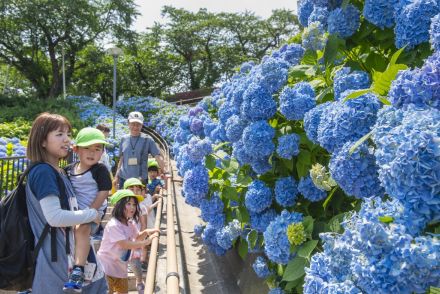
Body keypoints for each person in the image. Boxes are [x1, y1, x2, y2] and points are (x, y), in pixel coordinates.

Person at [25, 112, 107, 293]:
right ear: (42, 141)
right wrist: (92, 214)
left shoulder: (61, 171)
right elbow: (54, 217)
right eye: (59, 134)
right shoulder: (43, 172)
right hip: (55, 264)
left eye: (68, 134)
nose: (67, 140)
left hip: (66, 257)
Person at [63, 127, 112, 292]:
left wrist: (91, 211)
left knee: (82, 228)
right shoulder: (69, 169)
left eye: (97, 149)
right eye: (87, 148)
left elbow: (105, 191)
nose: (92, 153)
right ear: (76, 149)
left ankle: (78, 269)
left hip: (94, 210)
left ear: (102, 152)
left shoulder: (100, 169)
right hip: (76, 212)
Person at [97, 189, 159, 294]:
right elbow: (124, 244)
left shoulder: (130, 223)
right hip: (106, 268)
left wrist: (147, 232)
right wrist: (144, 243)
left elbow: (137, 236)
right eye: (128, 204)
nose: (132, 207)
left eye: (134, 204)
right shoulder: (113, 225)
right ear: (118, 205)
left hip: (120, 268)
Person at [113, 111, 167, 189]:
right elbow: (121, 159)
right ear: (128, 123)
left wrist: (165, 171)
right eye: (133, 124)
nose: (135, 127)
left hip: (140, 180)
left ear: (142, 125)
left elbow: (157, 157)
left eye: (138, 124)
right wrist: (116, 176)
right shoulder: (123, 139)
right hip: (124, 179)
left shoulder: (147, 139)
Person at [123, 178, 159, 292]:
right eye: (131, 189)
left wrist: (141, 240)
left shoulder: (142, 207)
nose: (135, 191)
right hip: (124, 238)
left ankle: (139, 280)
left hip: (137, 237)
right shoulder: (121, 207)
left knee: (135, 260)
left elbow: (144, 224)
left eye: (137, 189)